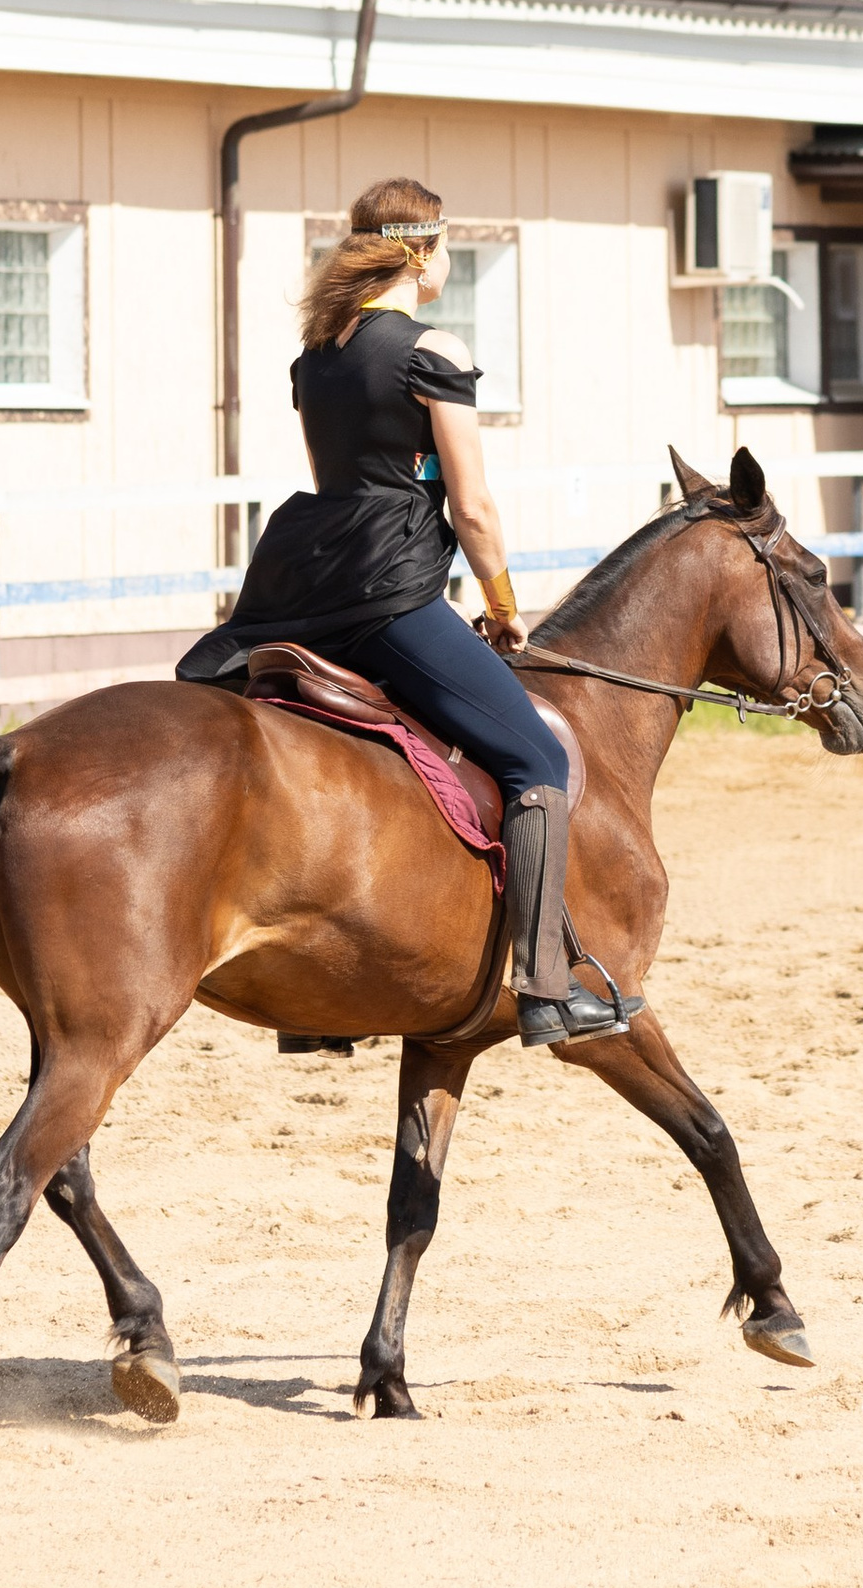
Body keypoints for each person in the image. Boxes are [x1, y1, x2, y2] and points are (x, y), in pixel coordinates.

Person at [176, 175, 614, 1045]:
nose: (449, 260)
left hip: (298, 586)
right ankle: (543, 985)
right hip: (388, 591)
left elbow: (342, 479)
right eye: (447, 245)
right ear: (421, 251)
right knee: (534, 759)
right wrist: (502, 602)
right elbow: (472, 504)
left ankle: (314, 1004)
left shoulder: (316, 358)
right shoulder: (432, 350)